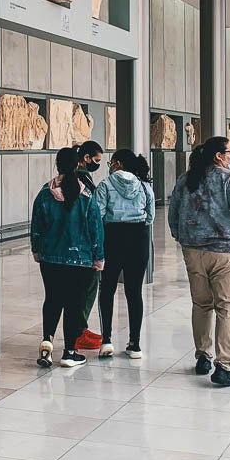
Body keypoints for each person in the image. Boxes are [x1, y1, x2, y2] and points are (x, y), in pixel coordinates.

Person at [168, 135, 230, 388]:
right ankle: (224, 365)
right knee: (227, 307)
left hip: (193, 249)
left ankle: (203, 356)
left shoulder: (186, 179)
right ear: (219, 155)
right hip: (228, 250)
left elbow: (173, 214)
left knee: (201, 304)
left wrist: (183, 237)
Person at [31, 147, 104, 370]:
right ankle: (70, 352)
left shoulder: (45, 193)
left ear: (57, 165)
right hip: (80, 260)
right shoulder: (86, 195)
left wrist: (38, 250)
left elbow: (36, 227)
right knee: (74, 304)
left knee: (52, 300)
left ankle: (47, 342)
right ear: (77, 165)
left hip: (50, 259)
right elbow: (95, 229)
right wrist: (98, 257)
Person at [94, 149, 154, 360]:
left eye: (111, 162)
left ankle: (107, 340)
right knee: (134, 291)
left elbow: (98, 215)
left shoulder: (105, 185)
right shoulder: (144, 186)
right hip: (137, 239)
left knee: (107, 288)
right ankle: (134, 343)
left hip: (112, 238)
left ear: (117, 164)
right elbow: (150, 216)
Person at [73, 140, 105, 352]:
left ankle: (79, 328)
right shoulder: (80, 179)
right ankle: (78, 330)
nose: (97, 164)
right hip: (82, 242)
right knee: (86, 287)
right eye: (96, 160)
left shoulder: (79, 177)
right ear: (85, 157)